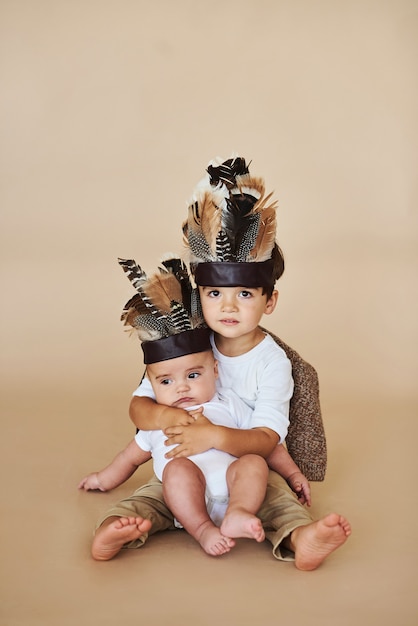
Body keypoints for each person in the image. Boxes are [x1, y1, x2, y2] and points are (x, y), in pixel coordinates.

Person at [128, 156, 351, 570]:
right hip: (185, 469)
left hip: (245, 471)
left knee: (277, 498)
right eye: (213, 294)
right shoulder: (187, 345)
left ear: (270, 301)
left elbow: (267, 439)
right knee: (151, 494)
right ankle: (119, 530)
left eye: (245, 295)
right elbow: (140, 407)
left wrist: (213, 437)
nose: (227, 305)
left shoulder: (274, 364)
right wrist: (168, 421)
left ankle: (302, 538)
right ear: (200, 296)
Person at [80, 258, 270, 559]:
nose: (181, 387)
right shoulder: (157, 421)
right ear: (152, 385)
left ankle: (239, 513)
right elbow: (129, 459)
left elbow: (267, 440)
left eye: (193, 376)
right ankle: (185, 529)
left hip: (237, 491)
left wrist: (291, 472)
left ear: (215, 371)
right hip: (177, 498)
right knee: (152, 493)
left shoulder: (227, 402)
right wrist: (102, 480)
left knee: (254, 464)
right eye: (166, 382)